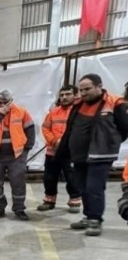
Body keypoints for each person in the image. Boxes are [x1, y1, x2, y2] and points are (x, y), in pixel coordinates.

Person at [57, 73, 128, 236]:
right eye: (81, 90)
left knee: (94, 187)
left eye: (87, 89)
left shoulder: (114, 103)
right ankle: (88, 216)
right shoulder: (78, 104)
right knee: (81, 187)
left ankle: (95, 219)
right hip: (80, 155)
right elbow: (70, 128)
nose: (83, 93)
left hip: (101, 155)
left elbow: (125, 128)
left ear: (99, 86)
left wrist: (112, 141)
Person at [0, 89, 35, 221]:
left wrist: (26, 150)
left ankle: (19, 209)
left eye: (5, 102)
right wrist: (0, 115)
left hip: (16, 156)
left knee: (18, 183)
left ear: (11, 101)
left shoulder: (22, 112)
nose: (2, 105)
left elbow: (30, 130)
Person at [37, 85, 81, 213]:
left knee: (72, 177)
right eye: (62, 95)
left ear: (75, 95)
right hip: (53, 151)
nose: (64, 97)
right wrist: (54, 141)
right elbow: (45, 128)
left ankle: (75, 201)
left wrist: (67, 142)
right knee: (49, 177)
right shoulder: (53, 112)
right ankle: (49, 200)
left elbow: (81, 130)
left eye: (68, 94)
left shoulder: (79, 112)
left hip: (71, 152)